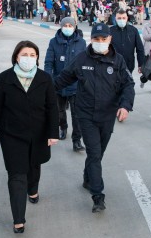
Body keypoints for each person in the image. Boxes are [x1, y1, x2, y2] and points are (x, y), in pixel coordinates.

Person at [55, 24, 135, 213]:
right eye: (96, 39)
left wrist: (125, 105)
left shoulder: (118, 60)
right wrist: (42, 89)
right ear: (91, 40)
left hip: (107, 115)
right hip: (86, 114)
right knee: (94, 153)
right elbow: (63, 79)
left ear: (109, 39)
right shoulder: (82, 58)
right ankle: (98, 196)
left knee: (98, 153)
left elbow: (128, 85)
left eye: (103, 39)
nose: (100, 43)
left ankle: (87, 177)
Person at [0, 40, 59, 233]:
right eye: (24, 55)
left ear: (37, 58)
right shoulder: (5, 78)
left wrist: (53, 132)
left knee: (34, 165)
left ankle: (33, 189)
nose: (28, 58)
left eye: (32, 55)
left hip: (39, 132)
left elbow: (53, 107)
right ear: (16, 57)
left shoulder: (45, 78)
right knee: (17, 174)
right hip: (12, 134)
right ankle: (18, 219)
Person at [44, 17, 86, 151]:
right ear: (61, 27)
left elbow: (85, 63)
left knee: (77, 114)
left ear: (74, 27)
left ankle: (77, 140)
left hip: (76, 85)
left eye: (70, 25)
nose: (68, 27)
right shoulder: (53, 42)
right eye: (65, 25)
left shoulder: (81, 42)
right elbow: (48, 62)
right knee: (59, 111)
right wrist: (49, 80)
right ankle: (63, 127)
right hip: (58, 84)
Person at [110, 9, 145, 76]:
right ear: (115, 19)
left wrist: (141, 64)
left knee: (128, 85)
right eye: (119, 18)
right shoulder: (110, 31)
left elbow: (140, 49)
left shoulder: (133, 30)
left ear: (127, 18)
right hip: (113, 64)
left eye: (123, 18)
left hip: (129, 64)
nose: (121, 20)